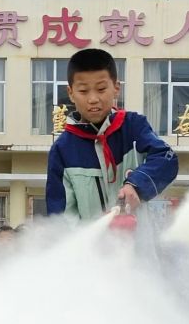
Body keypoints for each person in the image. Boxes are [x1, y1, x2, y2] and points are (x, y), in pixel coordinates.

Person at [46, 48, 178, 223]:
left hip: (140, 249)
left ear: (116, 88)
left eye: (101, 89)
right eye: (83, 91)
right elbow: (60, 218)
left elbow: (166, 159)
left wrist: (136, 185)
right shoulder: (62, 150)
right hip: (89, 250)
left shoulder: (133, 126)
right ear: (70, 93)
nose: (93, 99)